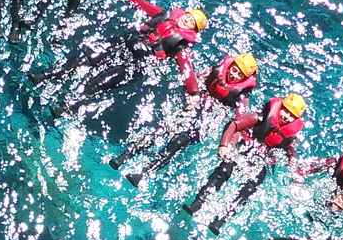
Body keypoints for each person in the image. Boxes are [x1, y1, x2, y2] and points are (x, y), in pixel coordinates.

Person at [30, 0, 208, 120]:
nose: (186, 20)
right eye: (188, 16)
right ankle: (49, 75)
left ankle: (67, 106)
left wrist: (193, 94)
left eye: (192, 22)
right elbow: (141, 3)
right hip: (122, 45)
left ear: (194, 30)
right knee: (85, 59)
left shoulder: (180, 47)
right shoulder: (164, 14)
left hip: (134, 64)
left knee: (98, 84)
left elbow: (187, 72)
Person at [110, 52, 259, 186]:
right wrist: (190, 97)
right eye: (234, 70)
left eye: (240, 75)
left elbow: (239, 125)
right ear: (231, 65)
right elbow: (193, 81)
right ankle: (126, 155)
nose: (234, 75)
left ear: (245, 79)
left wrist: (228, 145)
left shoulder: (241, 97)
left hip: (212, 115)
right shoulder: (215, 71)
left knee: (180, 141)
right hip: (198, 103)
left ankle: (144, 173)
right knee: (166, 129)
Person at [184, 92, 308, 234]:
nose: (286, 116)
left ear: (296, 119)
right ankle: (199, 201)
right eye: (284, 110)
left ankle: (222, 218)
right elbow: (234, 125)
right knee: (225, 169)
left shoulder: (290, 137)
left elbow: (291, 152)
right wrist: (224, 145)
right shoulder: (260, 117)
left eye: (290, 115)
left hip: (262, 158)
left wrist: (294, 169)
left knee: (251, 186)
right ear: (279, 107)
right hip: (245, 146)